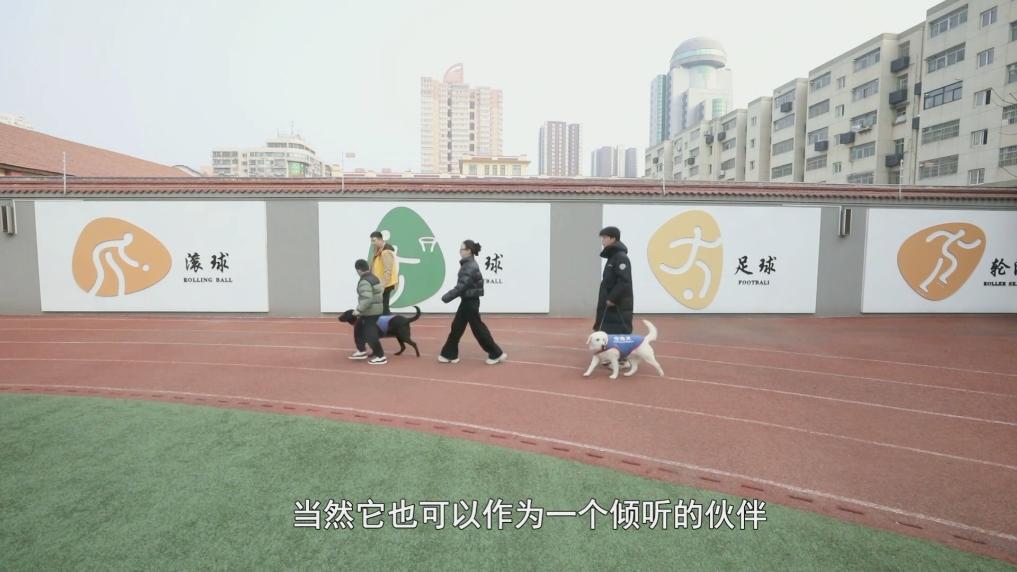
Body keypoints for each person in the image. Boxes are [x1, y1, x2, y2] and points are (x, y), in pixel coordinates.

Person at [438, 240, 508, 365]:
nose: (460, 251)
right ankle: (449, 354)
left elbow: (462, 286)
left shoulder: (469, 266)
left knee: (478, 328)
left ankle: (496, 353)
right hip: (468, 300)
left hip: (470, 302)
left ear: (469, 251)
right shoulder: (468, 264)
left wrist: (446, 297)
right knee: (457, 327)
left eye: (462, 249)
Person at [594, 226, 634, 335]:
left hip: (617, 304)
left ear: (613, 239)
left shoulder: (621, 258)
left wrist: (612, 298)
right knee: (606, 331)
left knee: (618, 332)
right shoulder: (612, 257)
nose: (602, 241)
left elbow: (624, 281)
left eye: (605, 238)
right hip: (609, 302)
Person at [349, 259, 387, 365]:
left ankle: (380, 356)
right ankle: (361, 350)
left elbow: (367, 298)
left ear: (358, 270)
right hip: (374, 310)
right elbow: (379, 292)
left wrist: (358, 309)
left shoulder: (364, 281)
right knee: (358, 329)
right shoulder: (374, 277)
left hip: (370, 311)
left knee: (370, 334)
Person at [369, 231, 398, 315]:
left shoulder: (386, 252)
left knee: (384, 308)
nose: (372, 243)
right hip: (381, 283)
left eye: (374, 241)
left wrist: (383, 286)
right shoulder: (379, 250)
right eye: (371, 241)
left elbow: (388, 270)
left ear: (380, 240)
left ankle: (389, 321)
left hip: (385, 284)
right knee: (383, 308)